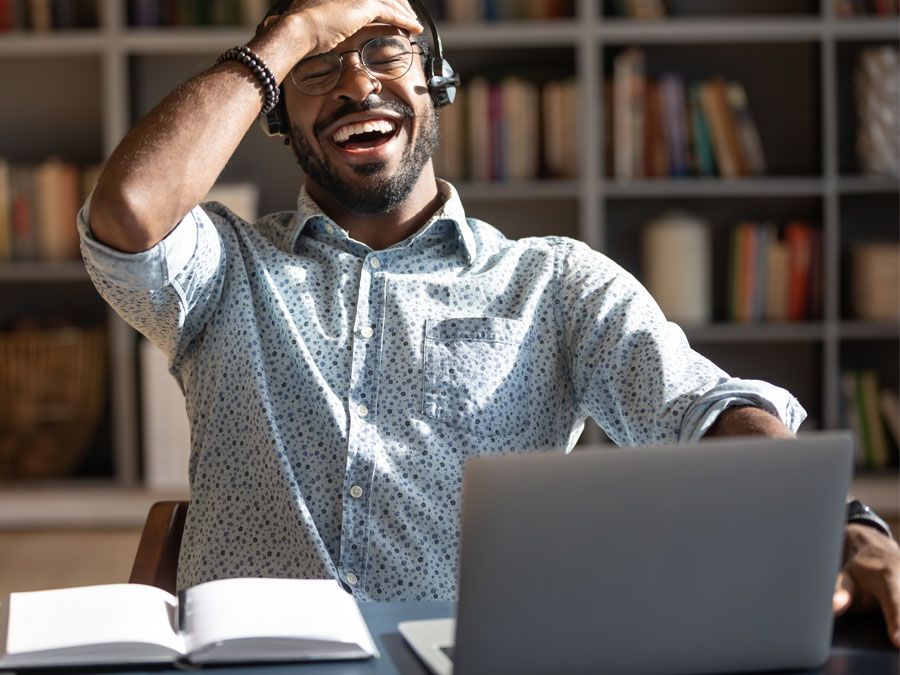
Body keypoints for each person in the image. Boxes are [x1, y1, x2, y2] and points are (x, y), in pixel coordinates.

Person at [78, 0, 899, 647]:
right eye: (316, 67)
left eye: (385, 48)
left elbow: (705, 408)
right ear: (277, 111)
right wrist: (286, 34)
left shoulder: (554, 280)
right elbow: (126, 210)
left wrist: (839, 523)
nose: (356, 86)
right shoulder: (223, 266)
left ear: (438, 77)